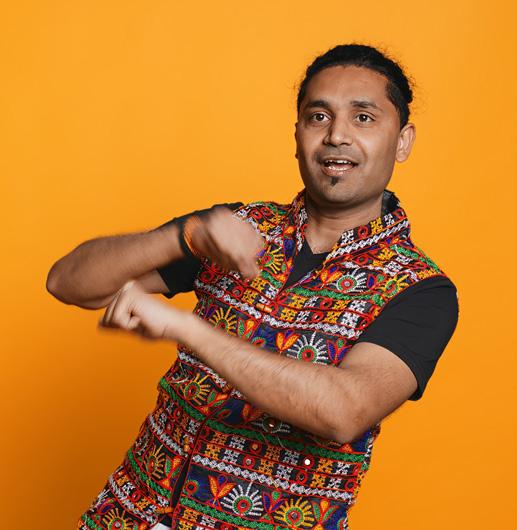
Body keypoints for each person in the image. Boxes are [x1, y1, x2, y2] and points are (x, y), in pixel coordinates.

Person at [47, 43, 459, 530]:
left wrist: (188, 331)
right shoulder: (236, 227)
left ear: (403, 141)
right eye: (318, 117)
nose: (336, 135)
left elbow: (343, 411)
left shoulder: (420, 289)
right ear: (298, 134)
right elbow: (68, 283)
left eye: (363, 118)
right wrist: (182, 236)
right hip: (127, 515)